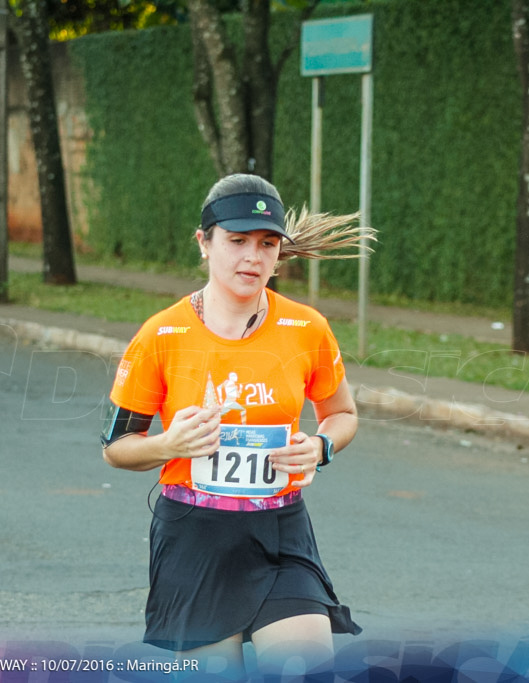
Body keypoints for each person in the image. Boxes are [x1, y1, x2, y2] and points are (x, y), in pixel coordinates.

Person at [102, 173, 374, 679]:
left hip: (281, 532)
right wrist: (168, 443)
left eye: (267, 244)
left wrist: (319, 446)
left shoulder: (306, 328)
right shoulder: (162, 334)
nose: (253, 257)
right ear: (204, 243)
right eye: (238, 241)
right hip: (194, 539)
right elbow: (116, 447)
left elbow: (343, 414)